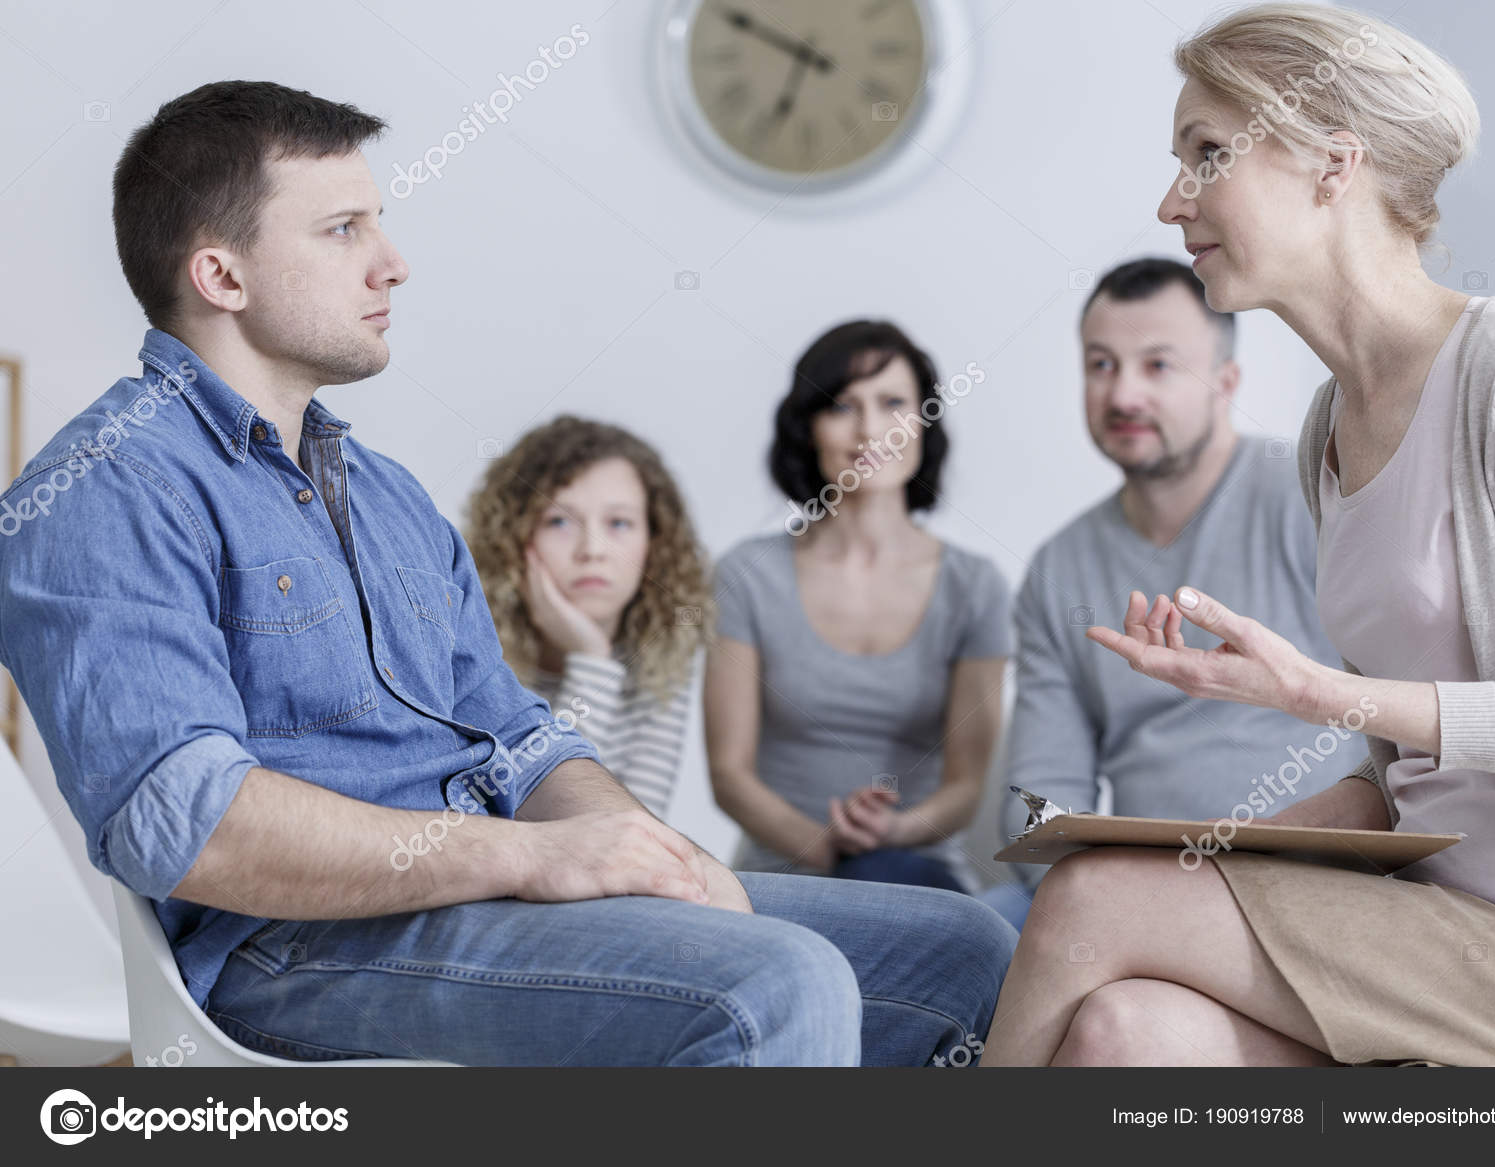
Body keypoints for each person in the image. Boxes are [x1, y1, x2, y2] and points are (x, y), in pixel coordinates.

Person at [0, 81, 1015, 1067]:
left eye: (379, 223)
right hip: (290, 947)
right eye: (344, 230)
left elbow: (522, 742)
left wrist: (647, 852)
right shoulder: (105, 488)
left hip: (479, 896)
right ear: (223, 277)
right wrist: (532, 856)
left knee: (964, 953)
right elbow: (185, 825)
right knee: (777, 981)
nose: (393, 263)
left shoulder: (385, 496)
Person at [984, 3, 1495, 1067]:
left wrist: (1313, 693)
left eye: (1205, 154)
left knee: (1092, 900)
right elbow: (1400, 781)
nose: (1171, 201)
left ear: (1332, 165)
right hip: (1434, 921)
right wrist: (1211, 847)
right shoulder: (1331, 427)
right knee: (1126, 1033)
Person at [980, 257, 1362, 932]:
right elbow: (1040, 794)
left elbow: (1399, 711)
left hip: (1309, 880)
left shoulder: (1311, 500)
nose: (1123, 394)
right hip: (1134, 888)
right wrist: (1099, 890)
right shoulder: (1058, 568)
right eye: (1101, 365)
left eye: (1158, 365)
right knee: (969, 935)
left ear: (1225, 383)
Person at [705, 320, 1012, 893]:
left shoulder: (975, 587)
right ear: (809, 428)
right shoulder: (747, 574)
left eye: (893, 404)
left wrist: (890, 832)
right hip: (784, 878)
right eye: (842, 406)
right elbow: (729, 774)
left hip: (917, 875)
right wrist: (829, 847)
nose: (870, 429)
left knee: (885, 876)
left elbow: (966, 787)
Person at [467, 416, 710, 821]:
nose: (592, 550)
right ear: (512, 540)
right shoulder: (476, 656)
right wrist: (592, 662)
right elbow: (530, 824)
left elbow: (636, 830)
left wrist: (591, 659)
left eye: (619, 523)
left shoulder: (663, 653)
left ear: (654, 542)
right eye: (559, 521)